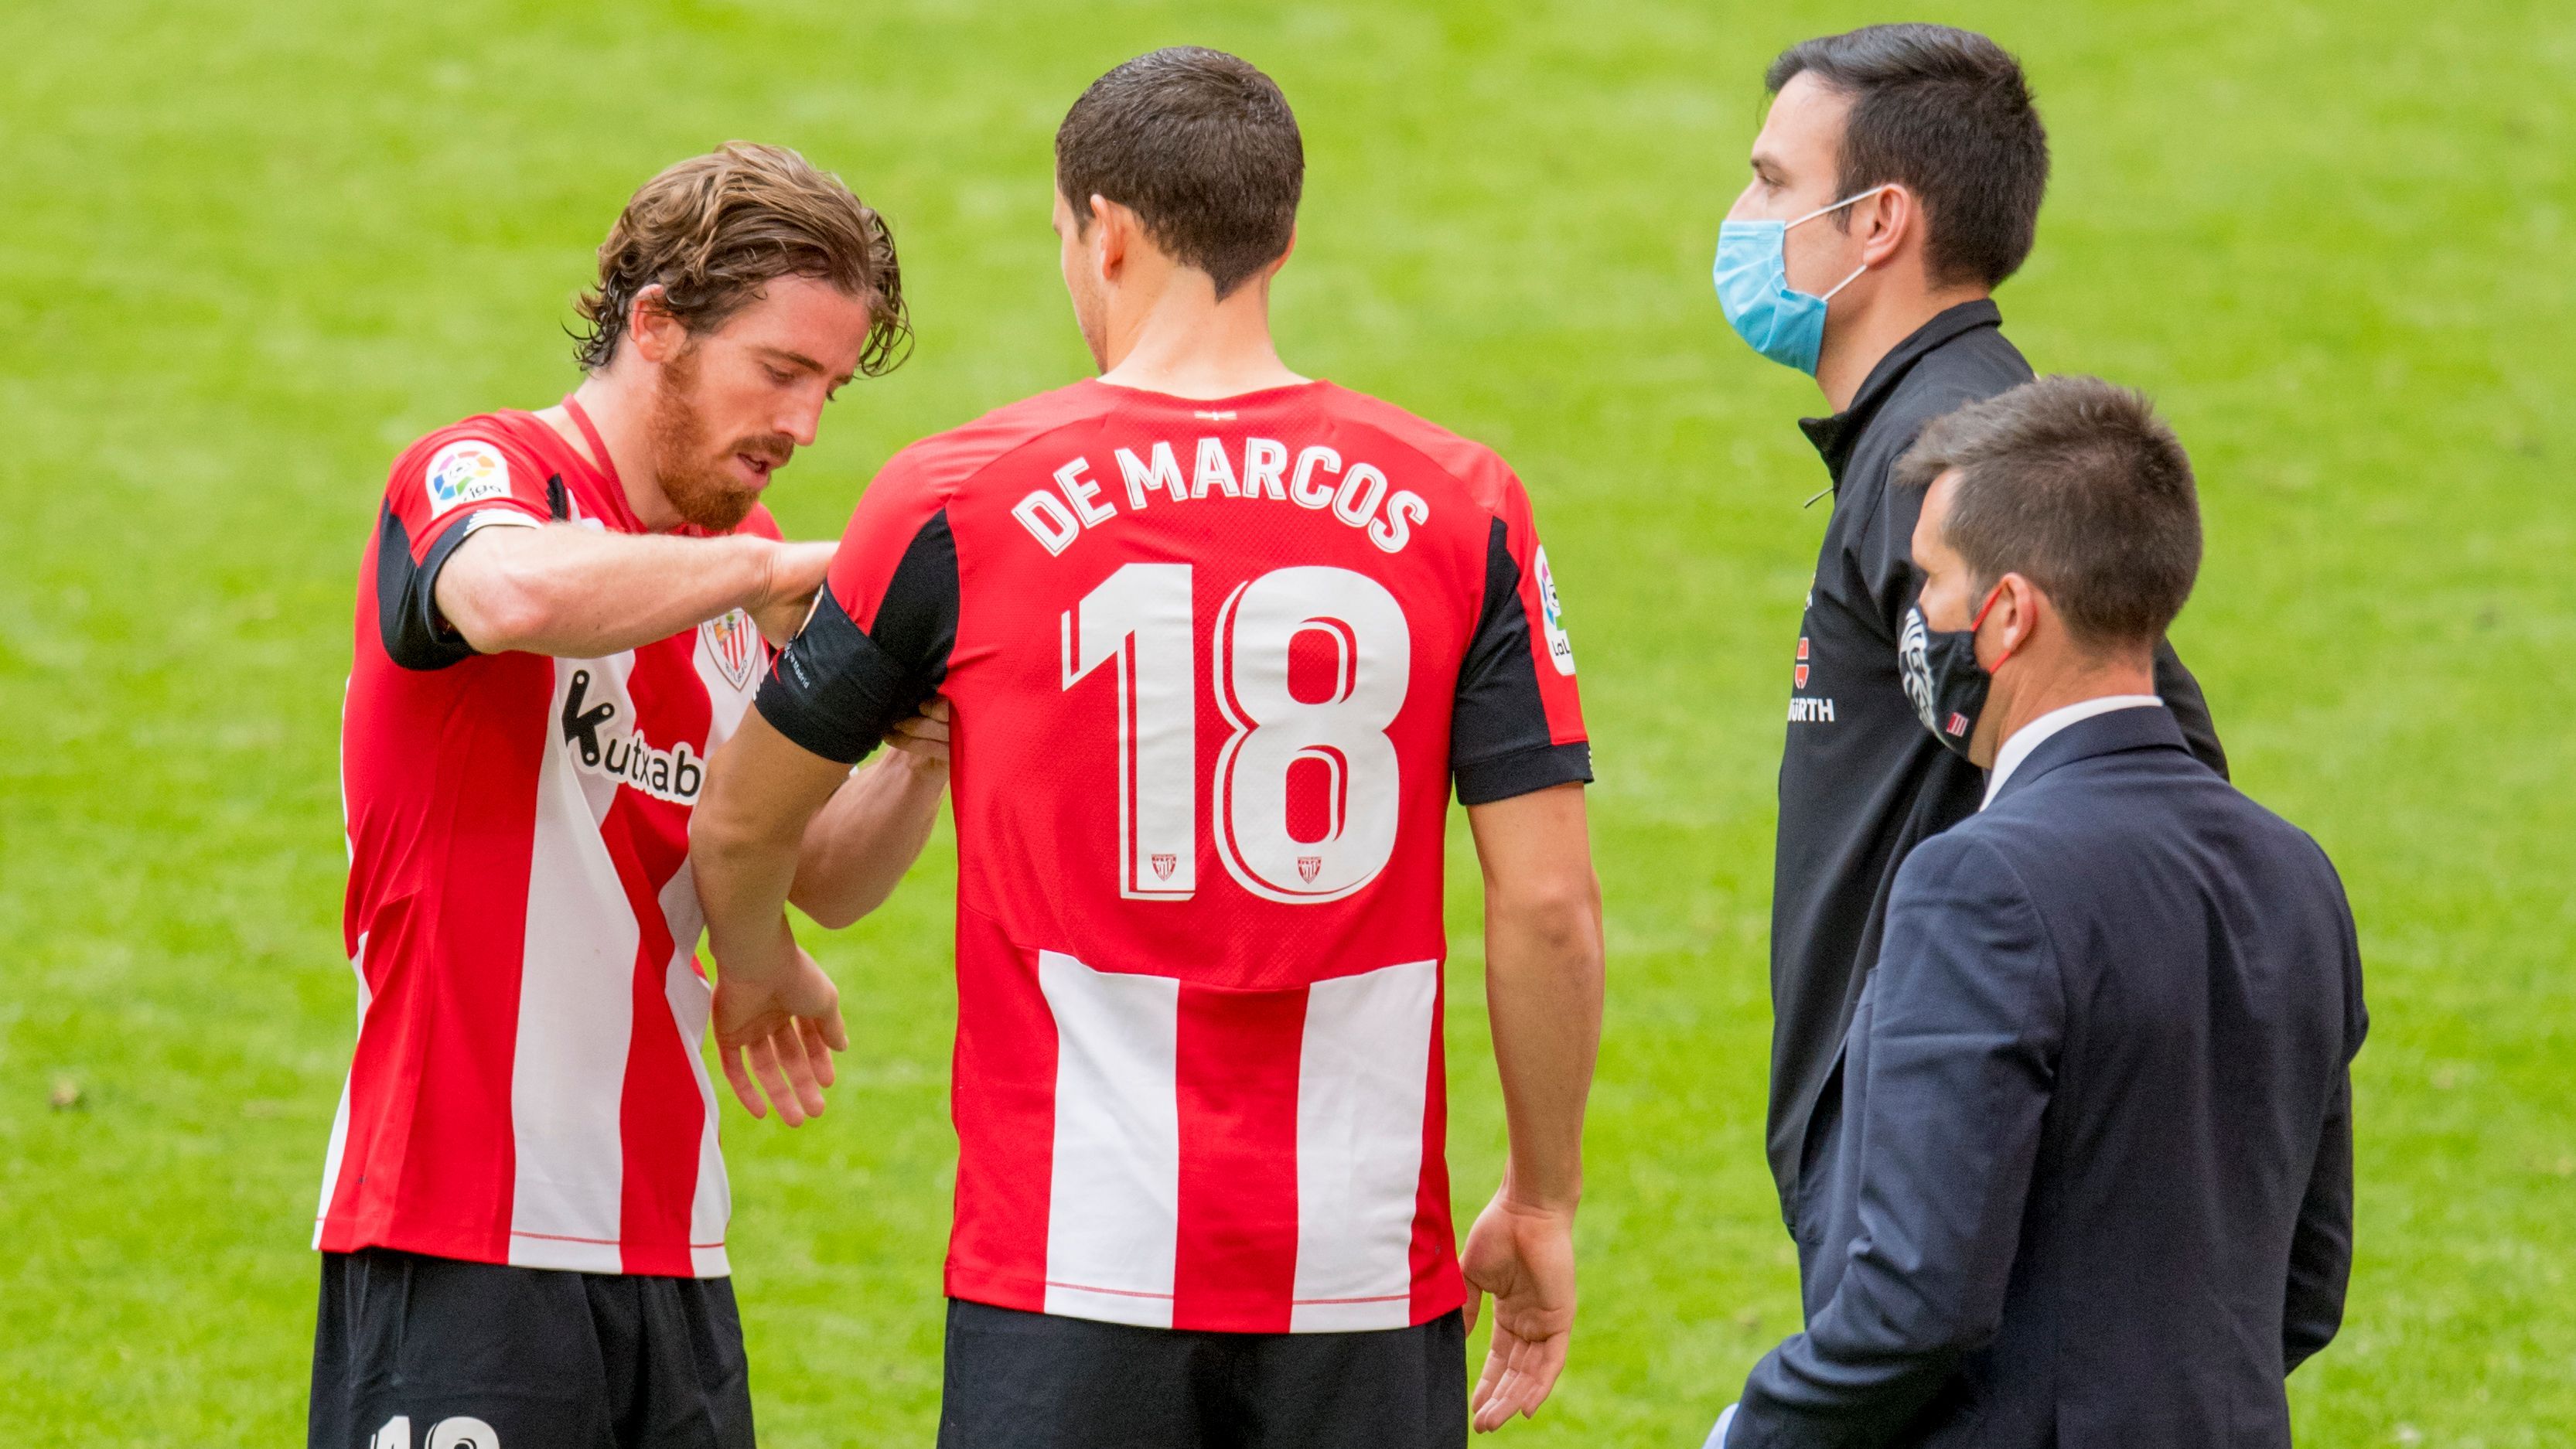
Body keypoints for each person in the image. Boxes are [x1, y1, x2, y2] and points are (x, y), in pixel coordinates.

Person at [690, 47, 1605, 1449]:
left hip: (1065, 1261)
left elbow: (745, 825)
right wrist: (1540, 1198)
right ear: (1280, 239)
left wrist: (754, 961)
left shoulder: (955, 494)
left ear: (1101, 230)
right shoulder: (1463, 504)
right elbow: (1546, 907)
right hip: (1356, 1266)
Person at [309, 143, 952, 1449]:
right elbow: (509, 597)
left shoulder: (738, 574)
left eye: (829, 387)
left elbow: (823, 870)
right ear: (656, 325)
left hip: (670, 1241)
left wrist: (922, 750)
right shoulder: (481, 474)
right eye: (779, 372)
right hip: (459, 1223)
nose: (804, 425)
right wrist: (764, 572)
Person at [1705, 377, 2366, 1447]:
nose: (1918, 617)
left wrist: (1754, 1429)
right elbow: (2305, 1280)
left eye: (1933, 581)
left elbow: (1915, 1303)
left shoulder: (1978, 887)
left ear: (2008, 613)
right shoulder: (2295, 873)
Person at [1709, 23, 2233, 1260]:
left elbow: (2150, 755)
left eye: (1775, 183)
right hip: (1947, 1154)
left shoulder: (1940, 459)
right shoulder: (1946, 432)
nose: (1741, 216)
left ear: (1878, 221)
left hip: (1941, 1174)